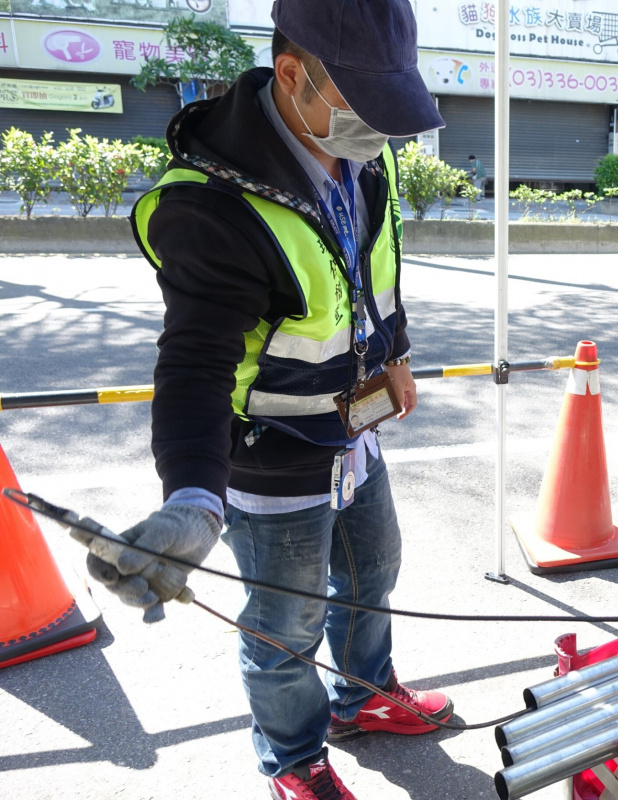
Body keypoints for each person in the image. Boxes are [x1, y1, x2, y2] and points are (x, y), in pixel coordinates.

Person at [84, 2, 452, 798]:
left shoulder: (356, 148)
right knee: (286, 628)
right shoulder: (210, 207)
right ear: (293, 73)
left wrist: (398, 356)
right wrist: (191, 497)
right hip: (273, 457)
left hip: (356, 433)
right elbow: (193, 364)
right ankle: (295, 760)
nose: (378, 130)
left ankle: (366, 695)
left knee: (372, 573)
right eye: (365, 103)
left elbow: (375, 270)